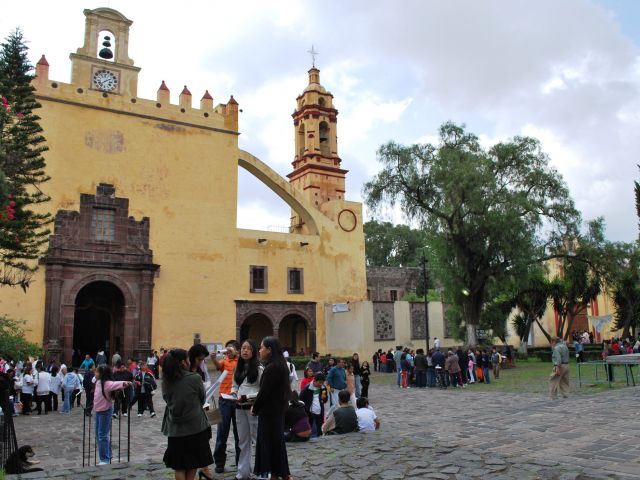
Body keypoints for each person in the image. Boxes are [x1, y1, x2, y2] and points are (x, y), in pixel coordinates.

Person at [161, 349, 213, 480]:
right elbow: (202, 399)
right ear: (183, 362)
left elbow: (166, 400)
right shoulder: (194, 378)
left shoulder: (166, 381)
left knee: (179, 466)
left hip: (175, 430)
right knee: (193, 462)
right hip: (195, 427)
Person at [251, 336, 291, 480]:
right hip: (277, 411)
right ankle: (278, 474)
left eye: (261, 347)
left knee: (270, 445)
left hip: (269, 413)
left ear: (269, 350)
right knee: (276, 444)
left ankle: (282, 474)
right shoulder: (281, 365)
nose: (259, 350)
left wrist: (255, 408)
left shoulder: (272, 368)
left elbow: (264, 392)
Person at [232, 339, 262, 480]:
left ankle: (261, 470)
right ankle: (243, 473)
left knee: (257, 439)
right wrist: (233, 393)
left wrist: (247, 396)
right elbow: (234, 385)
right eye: (243, 348)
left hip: (253, 408)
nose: (245, 351)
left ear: (253, 351)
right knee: (243, 441)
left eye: (248, 348)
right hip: (239, 407)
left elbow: (263, 390)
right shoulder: (237, 368)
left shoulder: (259, 369)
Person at [210, 340, 240, 475]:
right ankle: (219, 463)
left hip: (238, 400)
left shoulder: (240, 361)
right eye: (227, 348)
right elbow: (218, 365)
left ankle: (241, 462)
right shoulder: (225, 361)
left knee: (239, 433)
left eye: (231, 348)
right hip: (224, 400)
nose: (229, 351)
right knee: (222, 432)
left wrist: (237, 354)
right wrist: (213, 359)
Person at [93, 365, 131, 465]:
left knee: (102, 435)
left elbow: (115, 384)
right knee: (98, 434)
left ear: (102, 374)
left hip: (105, 412)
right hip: (98, 411)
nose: (95, 373)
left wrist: (124, 383)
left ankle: (104, 459)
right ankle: (108, 454)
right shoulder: (98, 382)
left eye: (97, 372)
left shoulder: (107, 383)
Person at [188, 344, 214, 480]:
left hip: (203, 407)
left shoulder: (200, 371)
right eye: (199, 359)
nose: (201, 362)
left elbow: (205, 385)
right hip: (191, 411)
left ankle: (204, 469)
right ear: (192, 358)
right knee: (195, 440)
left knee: (205, 438)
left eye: (203, 360)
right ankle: (200, 469)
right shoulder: (185, 371)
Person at [299, 372, 327, 438]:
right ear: (314, 380)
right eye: (319, 382)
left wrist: (324, 398)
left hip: (319, 413)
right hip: (310, 413)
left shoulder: (323, 388)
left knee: (319, 431)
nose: (321, 384)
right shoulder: (307, 388)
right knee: (313, 432)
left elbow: (325, 400)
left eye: (322, 382)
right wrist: (305, 409)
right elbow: (300, 399)